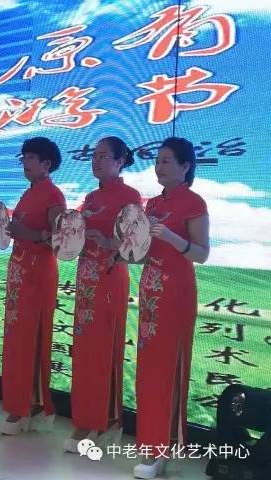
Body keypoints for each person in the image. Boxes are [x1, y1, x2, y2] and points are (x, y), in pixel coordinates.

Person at [133, 137, 210, 479]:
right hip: (150, 291)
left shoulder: (194, 202)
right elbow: (145, 250)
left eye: (166, 161)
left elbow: (201, 253)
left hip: (176, 292)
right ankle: (148, 444)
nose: (159, 166)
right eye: (157, 160)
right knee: (148, 369)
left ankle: (162, 449)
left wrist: (171, 237)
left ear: (185, 166)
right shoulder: (151, 204)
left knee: (169, 368)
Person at [64, 137, 141, 452]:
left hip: (110, 277)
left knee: (103, 348)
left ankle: (102, 421)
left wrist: (106, 240)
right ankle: (85, 417)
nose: (96, 161)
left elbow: (135, 244)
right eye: (93, 156)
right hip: (86, 279)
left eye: (104, 156)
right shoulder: (91, 197)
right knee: (84, 348)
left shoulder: (130, 196)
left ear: (120, 161)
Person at [0, 137, 66, 435]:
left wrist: (27, 233)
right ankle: (24, 405)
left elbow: (59, 240)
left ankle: (33, 406)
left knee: (32, 339)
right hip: (19, 273)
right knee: (16, 340)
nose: (25, 163)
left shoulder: (53, 196)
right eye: (23, 157)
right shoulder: (28, 194)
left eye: (30, 158)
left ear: (46, 164)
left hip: (39, 273)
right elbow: (22, 232)